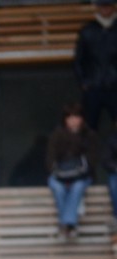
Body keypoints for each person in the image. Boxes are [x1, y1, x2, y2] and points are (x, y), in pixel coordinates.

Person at [46, 103, 99, 240]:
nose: (73, 120)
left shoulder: (89, 135)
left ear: (82, 118)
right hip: (60, 176)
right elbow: (50, 160)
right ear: (65, 119)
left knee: (77, 187)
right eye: (69, 117)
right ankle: (71, 226)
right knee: (57, 187)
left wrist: (74, 177)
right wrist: (62, 176)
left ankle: (65, 225)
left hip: (82, 176)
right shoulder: (56, 135)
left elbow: (91, 161)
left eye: (76, 116)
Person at [75, 0, 117, 131]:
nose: (105, 10)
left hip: (114, 85)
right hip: (94, 85)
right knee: (89, 127)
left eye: (108, 6)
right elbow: (79, 59)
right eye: (102, 6)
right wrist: (84, 82)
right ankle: (89, 152)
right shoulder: (87, 30)